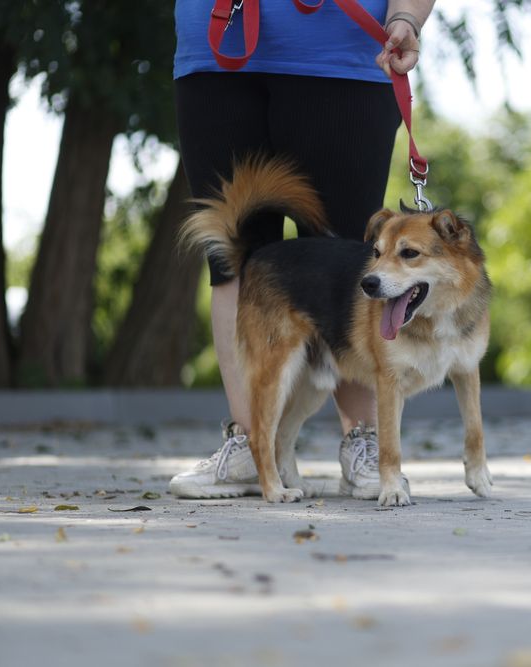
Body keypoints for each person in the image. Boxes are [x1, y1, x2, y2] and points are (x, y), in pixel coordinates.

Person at [168, 0, 436, 499]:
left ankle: (365, 441)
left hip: (343, 57)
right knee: (233, 262)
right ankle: (253, 447)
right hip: (215, 49)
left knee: (352, 257)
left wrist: (406, 18)